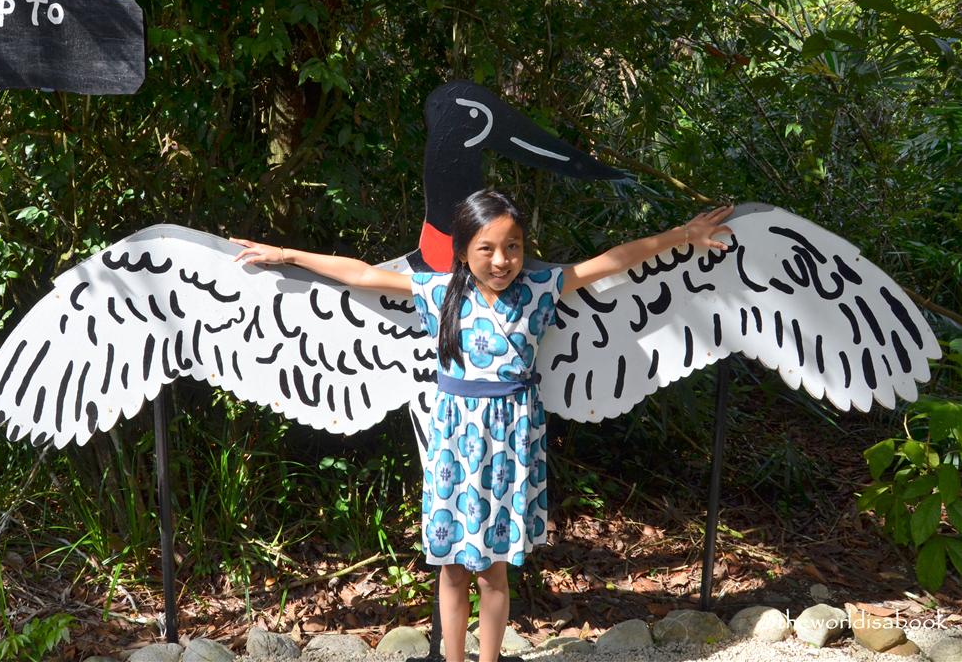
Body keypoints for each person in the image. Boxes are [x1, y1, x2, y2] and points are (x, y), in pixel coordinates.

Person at [232, 189, 733, 662]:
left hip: (512, 444)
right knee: (451, 565)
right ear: (463, 250)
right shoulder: (438, 290)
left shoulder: (540, 288)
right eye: (487, 248)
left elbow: (612, 261)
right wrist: (284, 253)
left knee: (494, 570)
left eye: (512, 247)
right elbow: (360, 274)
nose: (501, 260)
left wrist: (681, 235)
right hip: (454, 445)